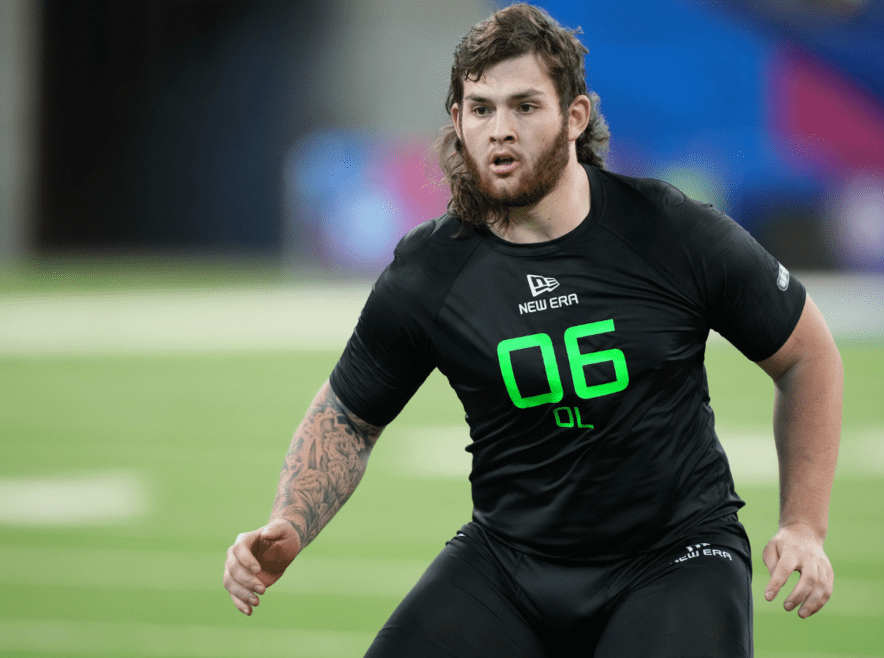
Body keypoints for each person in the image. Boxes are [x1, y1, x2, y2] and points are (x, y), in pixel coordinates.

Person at [223, 4, 842, 657]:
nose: (500, 130)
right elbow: (348, 416)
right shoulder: (431, 270)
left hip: (674, 556)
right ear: (457, 120)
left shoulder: (670, 231)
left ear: (574, 116)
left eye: (524, 106)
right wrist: (290, 522)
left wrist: (803, 525)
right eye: (481, 109)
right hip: (511, 560)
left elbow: (807, 354)